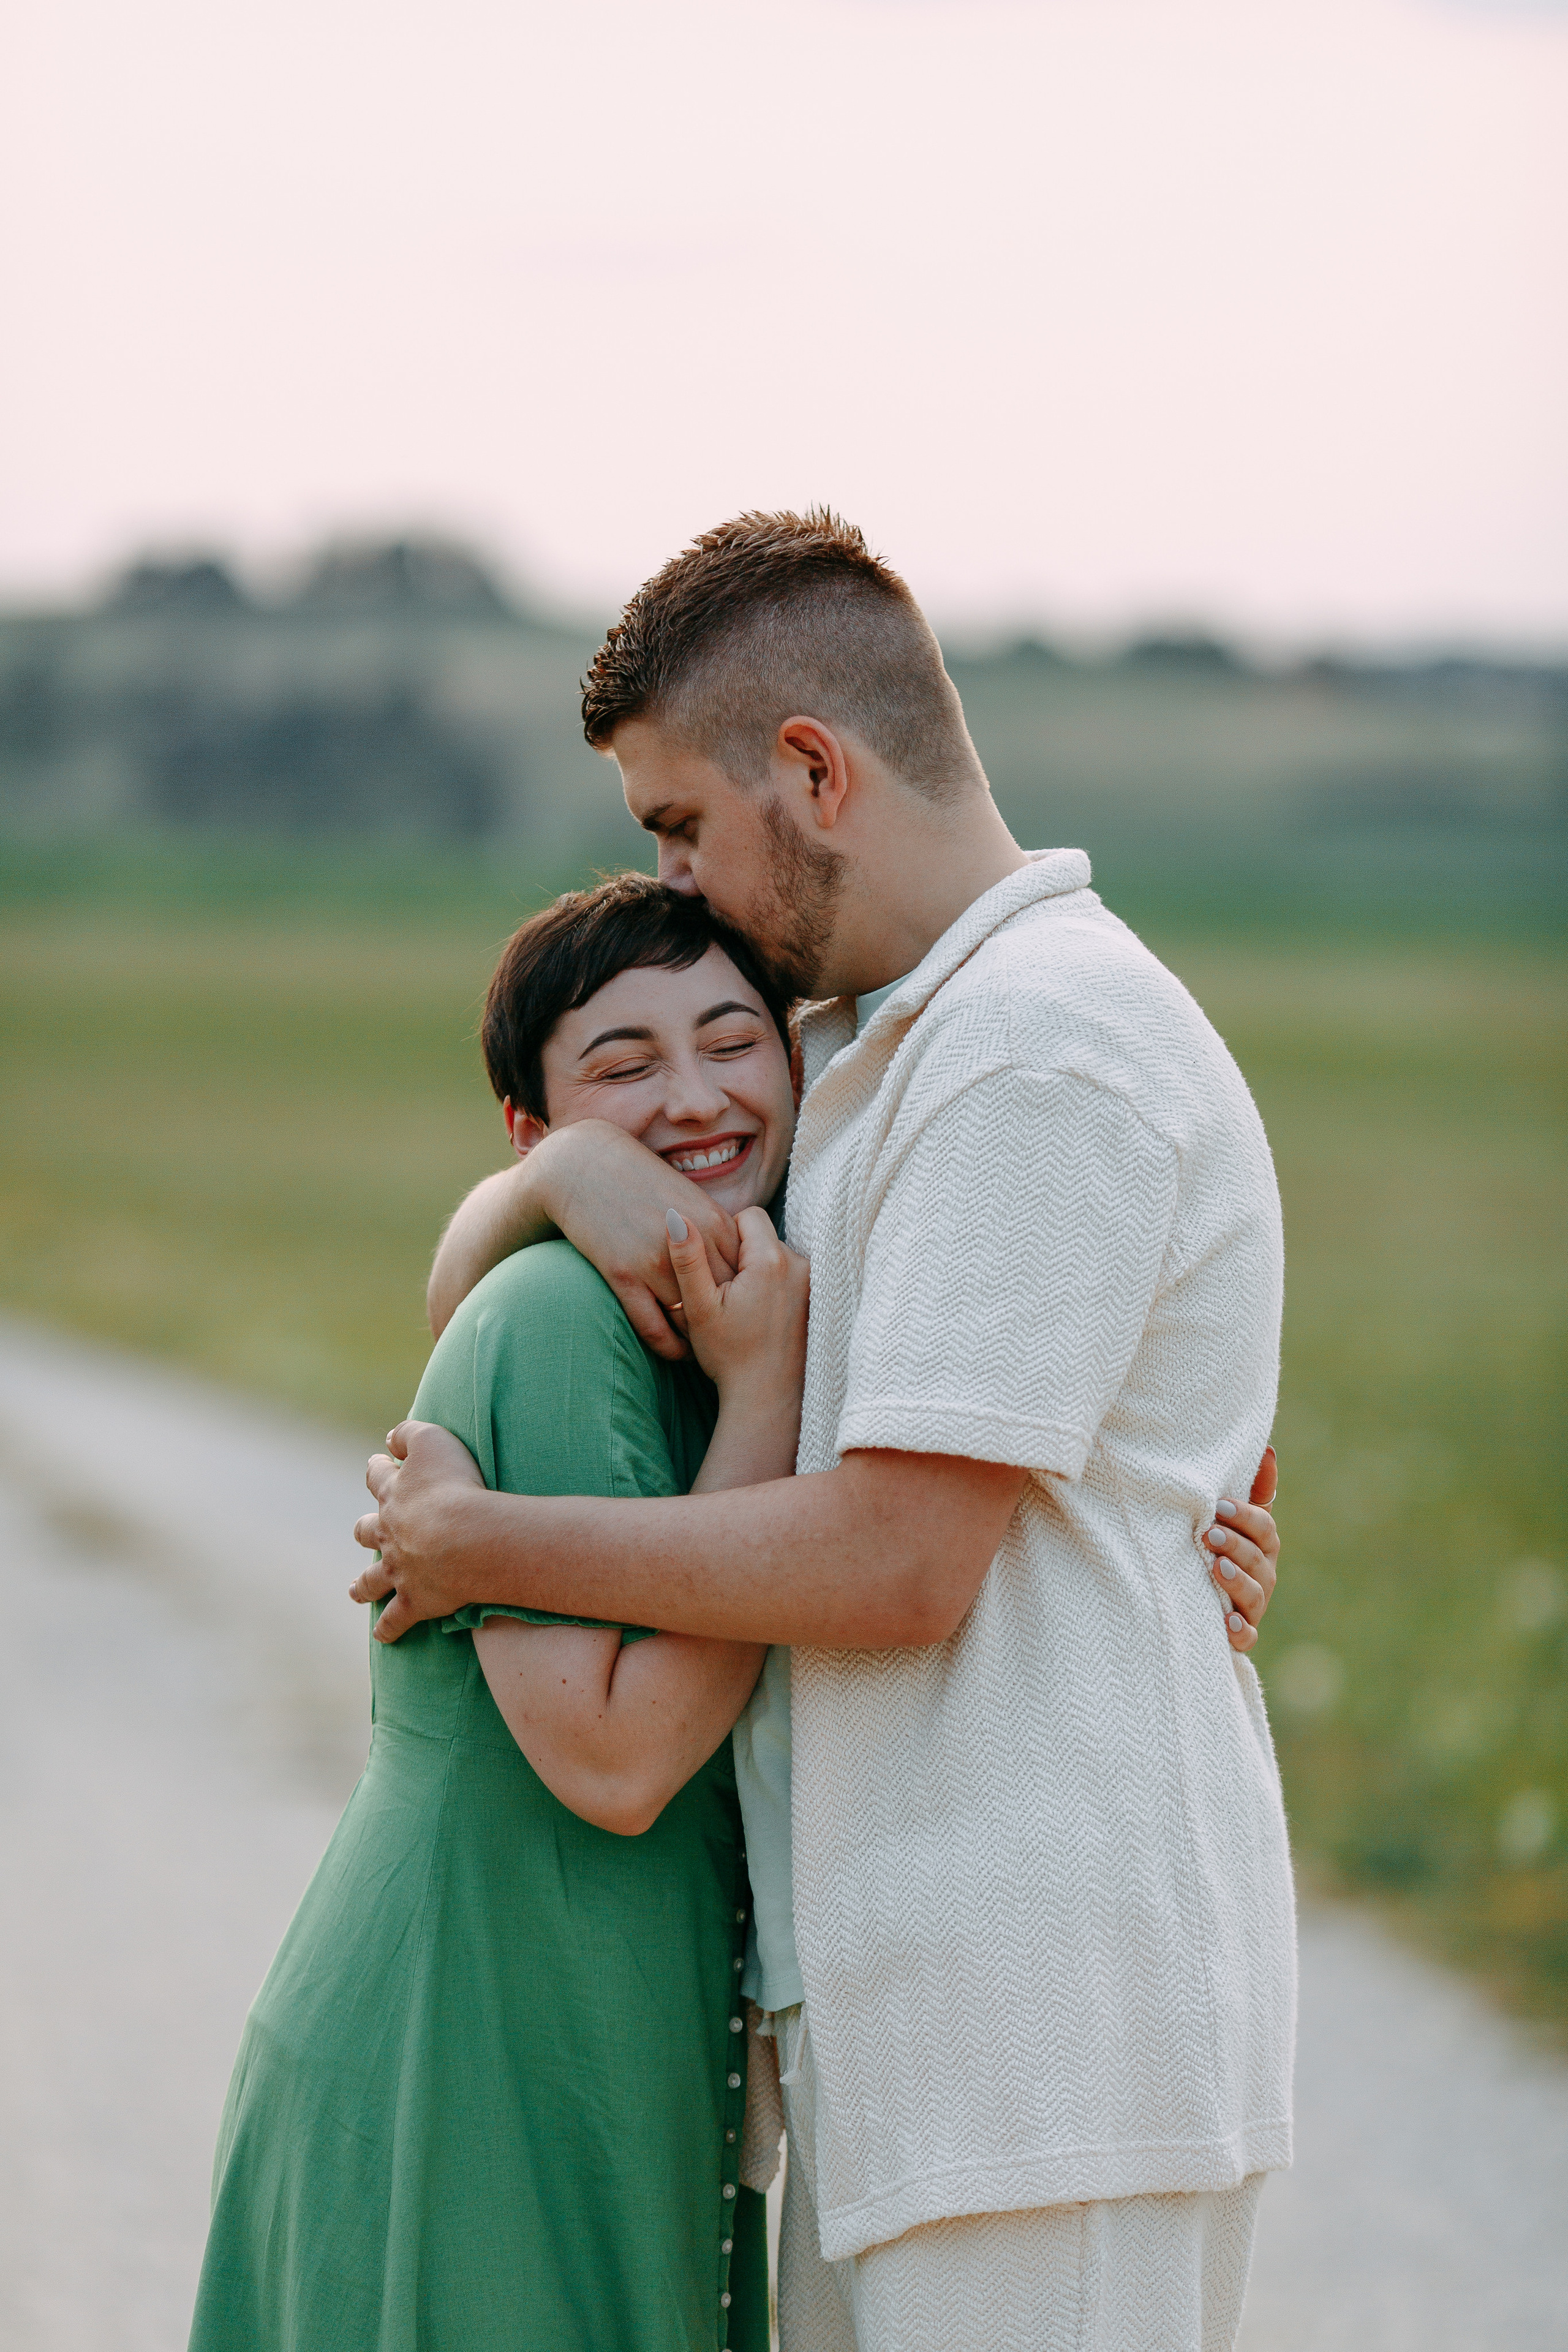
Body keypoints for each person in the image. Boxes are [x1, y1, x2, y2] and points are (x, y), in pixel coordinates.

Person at [352, 510, 1296, 2352]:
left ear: (812, 768)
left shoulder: (1036, 1052)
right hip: (920, 2042)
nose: (679, 881)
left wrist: (477, 1547)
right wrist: (539, 1205)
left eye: (679, 824)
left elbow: (895, 1558)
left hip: (1046, 2058)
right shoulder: (889, 1047)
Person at [189, 876, 816, 2352]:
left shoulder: (748, 1309)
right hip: (461, 2044)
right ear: (536, 1136)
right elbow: (614, 1760)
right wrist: (766, 1399)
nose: (695, 1097)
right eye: (623, 1066)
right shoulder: (556, 1320)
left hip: (596, 2035)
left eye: (732, 1040)